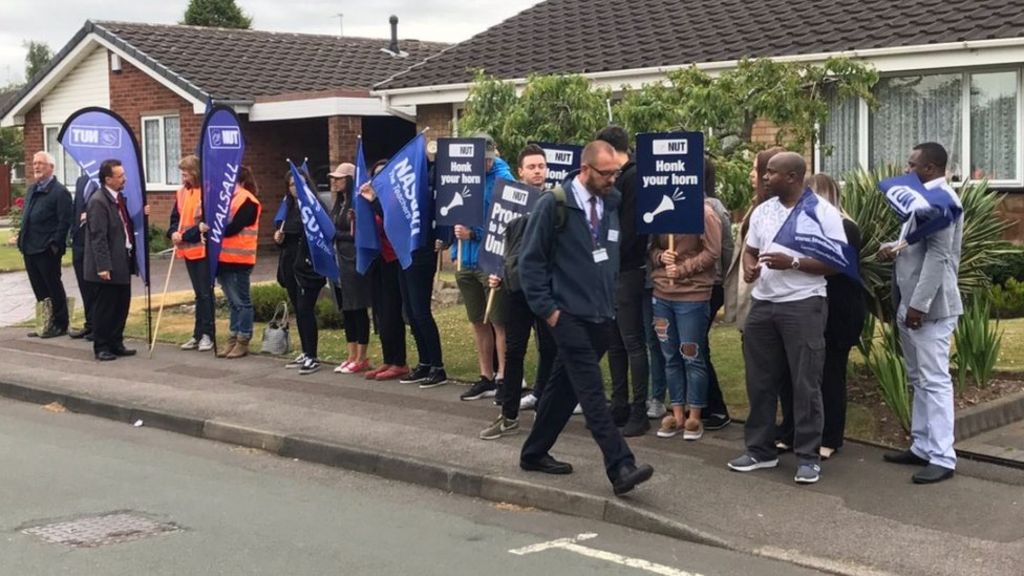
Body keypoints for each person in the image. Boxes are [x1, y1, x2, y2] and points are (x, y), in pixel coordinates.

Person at [518, 140, 654, 496]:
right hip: (567, 315)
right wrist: (549, 311)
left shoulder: (612, 202)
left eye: (616, 173)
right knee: (592, 391)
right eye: (606, 174)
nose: (613, 180)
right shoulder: (555, 204)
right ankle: (620, 465)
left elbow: (607, 255)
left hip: (600, 315)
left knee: (563, 388)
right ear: (585, 170)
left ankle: (533, 453)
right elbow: (529, 263)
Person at [727, 152, 846, 485]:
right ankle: (760, 450)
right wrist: (750, 265)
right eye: (765, 173)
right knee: (760, 380)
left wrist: (793, 263)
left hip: (803, 304)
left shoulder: (822, 213)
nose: (765, 177)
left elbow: (837, 263)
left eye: (772, 173)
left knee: (805, 382)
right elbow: (751, 248)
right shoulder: (764, 211)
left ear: (793, 177)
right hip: (763, 304)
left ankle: (808, 457)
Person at [880, 142, 963, 485]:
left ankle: (943, 456)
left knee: (934, 381)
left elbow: (939, 257)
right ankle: (922, 445)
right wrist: (893, 247)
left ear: (930, 168)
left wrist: (918, 306)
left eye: (912, 165)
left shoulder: (944, 202)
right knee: (918, 379)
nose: (906, 170)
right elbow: (918, 244)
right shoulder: (923, 197)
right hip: (909, 302)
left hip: (929, 307)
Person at [776, 174, 865, 459]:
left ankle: (830, 436)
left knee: (830, 375)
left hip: (839, 310)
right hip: (808, 305)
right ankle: (792, 431)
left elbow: (835, 265)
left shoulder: (845, 228)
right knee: (795, 375)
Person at [479, 144, 558, 440]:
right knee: (514, 352)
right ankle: (509, 414)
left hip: (547, 290)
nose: (538, 171)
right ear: (521, 170)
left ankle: (545, 408)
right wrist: (496, 270)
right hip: (516, 289)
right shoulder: (509, 202)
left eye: (542, 166)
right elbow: (501, 244)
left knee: (550, 349)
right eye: (532, 167)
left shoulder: (554, 201)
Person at [649, 199, 721, 441]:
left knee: (691, 355)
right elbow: (650, 248)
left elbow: (712, 251)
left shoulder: (705, 214)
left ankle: (695, 416)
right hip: (662, 294)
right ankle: (676, 413)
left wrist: (682, 269)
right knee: (670, 357)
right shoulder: (659, 209)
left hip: (693, 295)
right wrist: (661, 257)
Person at [451, 133, 515, 401]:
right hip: (465, 260)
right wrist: (456, 250)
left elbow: (506, 222)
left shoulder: (504, 180)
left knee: (499, 322)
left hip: (490, 260)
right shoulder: (462, 174)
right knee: (478, 321)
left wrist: (474, 235)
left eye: (488, 160)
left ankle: (504, 379)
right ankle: (486, 377)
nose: (485, 165)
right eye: (481, 160)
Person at [596, 126, 650, 437]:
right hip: (611, 269)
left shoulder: (633, 178)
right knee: (614, 341)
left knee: (631, 341)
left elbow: (630, 230)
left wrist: (608, 256)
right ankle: (619, 404)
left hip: (627, 269)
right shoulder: (615, 180)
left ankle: (639, 409)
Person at [359, 158, 410, 381]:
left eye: (383, 173)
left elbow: (392, 220)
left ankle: (399, 361)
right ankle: (388, 359)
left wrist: (373, 201)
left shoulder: (394, 198)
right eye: (375, 174)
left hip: (394, 259)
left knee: (392, 312)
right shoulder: (372, 198)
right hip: (378, 261)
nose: (378, 178)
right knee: (380, 313)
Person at [203, 166, 261, 359]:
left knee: (242, 302)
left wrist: (212, 229)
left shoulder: (247, 200)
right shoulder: (226, 200)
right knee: (233, 303)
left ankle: (243, 339)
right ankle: (233, 337)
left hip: (240, 259)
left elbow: (234, 227)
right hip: (224, 259)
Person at [83, 159, 135, 361]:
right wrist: (103, 266)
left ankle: (116, 342)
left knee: (122, 303)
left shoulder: (118, 198)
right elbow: (98, 236)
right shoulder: (98, 201)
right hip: (108, 265)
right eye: (120, 176)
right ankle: (102, 345)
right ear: (108, 179)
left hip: (122, 260)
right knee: (106, 307)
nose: (124, 179)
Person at [19, 151, 72, 338]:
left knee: (53, 287)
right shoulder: (32, 190)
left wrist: (55, 245)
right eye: (34, 163)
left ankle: (60, 323)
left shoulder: (60, 192)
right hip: (29, 247)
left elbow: (64, 222)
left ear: (51, 167)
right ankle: (45, 323)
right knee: (39, 288)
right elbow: (27, 217)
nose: (36, 166)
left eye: (41, 163)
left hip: (47, 249)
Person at [327, 163, 374, 375]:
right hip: (340, 260)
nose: (335, 181)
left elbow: (359, 233)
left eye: (339, 178)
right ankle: (351, 354)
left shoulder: (356, 202)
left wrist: (336, 234)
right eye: (334, 178)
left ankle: (362, 356)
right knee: (347, 308)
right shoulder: (338, 203)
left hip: (354, 260)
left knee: (357, 307)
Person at [701, 158, 735, 430]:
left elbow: (723, 252)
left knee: (696, 345)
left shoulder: (712, 208)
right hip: (711, 284)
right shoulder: (717, 206)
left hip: (710, 284)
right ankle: (700, 405)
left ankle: (716, 408)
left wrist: (721, 281)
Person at [169, 155, 215, 352]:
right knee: (198, 294)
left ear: (194, 173)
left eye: (185, 173)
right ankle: (197, 334)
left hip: (202, 249)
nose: (183, 176)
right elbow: (175, 218)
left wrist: (185, 235)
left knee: (205, 293)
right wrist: (173, 233)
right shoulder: (181, 194)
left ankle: (208, 334)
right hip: (188, 250)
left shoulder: (207, 193)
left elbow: (206, 224)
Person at [274, 170, 307, 369]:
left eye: (298, 184)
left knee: (305, 309)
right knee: (297, 308)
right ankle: (304, 351)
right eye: (292, 185)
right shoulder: (288, 206)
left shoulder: (309, 206)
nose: (295, 188)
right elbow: (285, 235)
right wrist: (279, 238)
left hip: (304, 265)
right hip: (289, 261)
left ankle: (310, 352)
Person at [69, 173, 98, 340]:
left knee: (96, 287)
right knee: (84, 285)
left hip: (95, 241)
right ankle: (90, 324)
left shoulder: (103, 179)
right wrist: (72, 232)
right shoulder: (81, 180)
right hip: (79, 242)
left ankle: (98, 326)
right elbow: (75, 208)